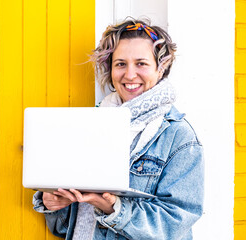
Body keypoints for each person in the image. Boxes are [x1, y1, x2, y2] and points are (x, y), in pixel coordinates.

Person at [32, 17, 204, 240]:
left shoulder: (178, 137)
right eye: (120, 64)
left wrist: (114, 208)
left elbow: (174, 224)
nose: (130, 75)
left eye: (141, 63)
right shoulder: (89, 124)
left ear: (160, 69)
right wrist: (56, 203)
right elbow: (67, 226)